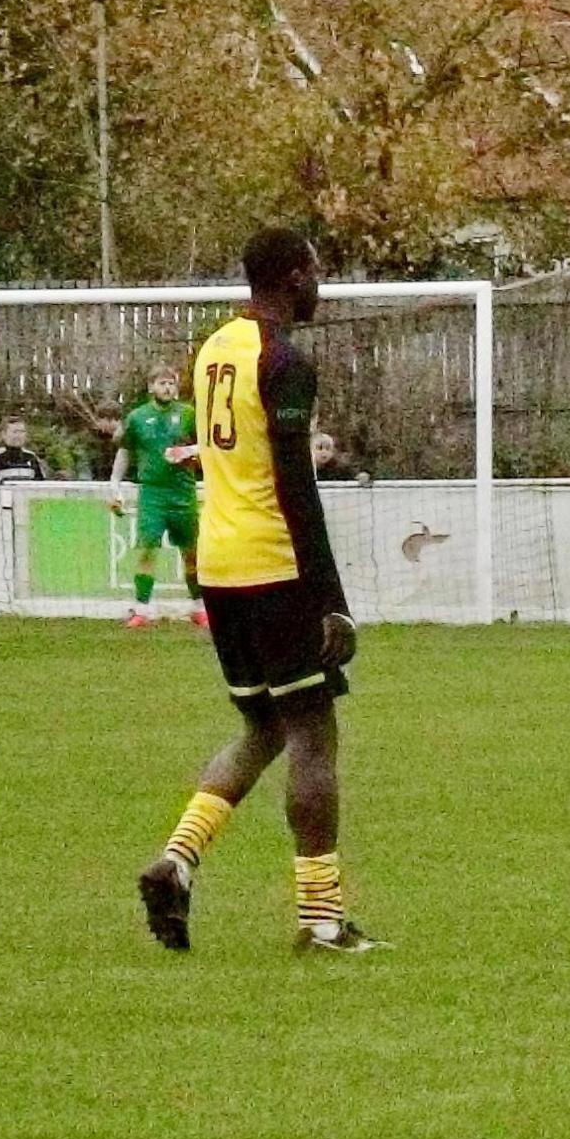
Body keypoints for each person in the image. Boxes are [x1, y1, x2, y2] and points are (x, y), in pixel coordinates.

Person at [139, 228, 374, 954]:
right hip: (275, 566)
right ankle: (322, 919)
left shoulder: (214, 349)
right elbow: (297, 485)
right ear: (295, 276)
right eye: (317, 271)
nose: (322, 284)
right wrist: (331, 595)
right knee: (312, 731)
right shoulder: (284, 360)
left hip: (219, 561)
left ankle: (176, 860)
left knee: (261, 727)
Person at [91, 368, 207, 628]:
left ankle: (198, 607)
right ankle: (141, 609)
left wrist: (188, 451)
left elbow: (209, 445)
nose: (167, 388)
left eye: (171, 383)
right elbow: (125, 452)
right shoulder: (137, 417)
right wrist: (115, 486)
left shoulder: (188, 414)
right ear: (151, 386)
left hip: (183, 492)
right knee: (147, 548)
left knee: (192, 552)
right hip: (152, 493)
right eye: (162, 383)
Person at [0, 415, 49, 481]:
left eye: (22, 432)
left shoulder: (32, 458)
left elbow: (41, 485)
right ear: (4, 434)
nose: (18, 436)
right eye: (15, 432)